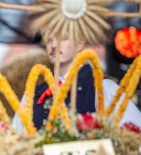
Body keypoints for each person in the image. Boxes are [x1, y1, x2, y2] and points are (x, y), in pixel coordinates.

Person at [12, 37, 141, 132]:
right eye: (49, 40)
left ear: (80, 44)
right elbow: (16, 141)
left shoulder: (103, 87)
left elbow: (133, 136)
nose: (54, 45)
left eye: (62, 37)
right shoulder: (32, 95)